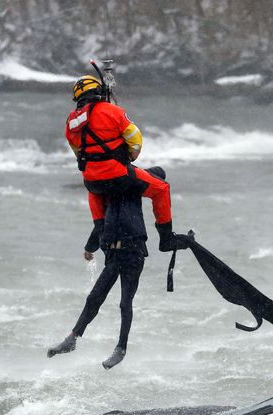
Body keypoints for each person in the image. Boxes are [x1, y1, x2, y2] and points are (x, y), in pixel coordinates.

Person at [47, 75, 188, 369]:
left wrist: (92, 242)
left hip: (93, 183)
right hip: (119, 181)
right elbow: (135, 140)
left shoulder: (72, 123)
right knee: (162, 189)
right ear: (100, 93)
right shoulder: (112, 112)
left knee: (97, 205)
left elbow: (79, 154)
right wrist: (127, 157)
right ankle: (166, 238)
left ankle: (74, 336)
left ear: (78, 100)